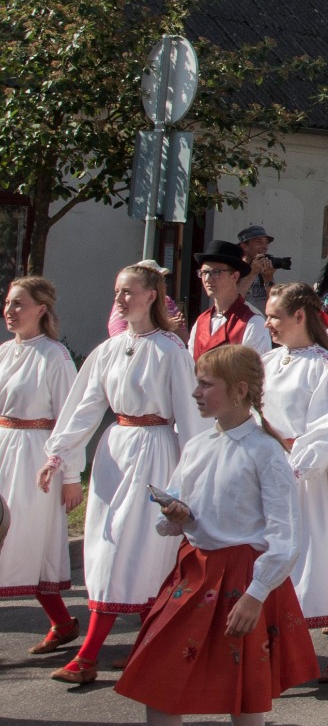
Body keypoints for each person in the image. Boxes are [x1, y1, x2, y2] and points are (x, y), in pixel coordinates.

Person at [116, 344, 317, 726]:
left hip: (242, 576)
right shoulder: (200, 443)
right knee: (156, 674)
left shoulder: (267, 453)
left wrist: (256, 595)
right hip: (195, 569)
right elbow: (187, 508)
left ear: (240, 390)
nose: (196, 392)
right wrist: (178, 513)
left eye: (207, 384)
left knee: (244, 690)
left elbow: (285, 536)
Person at [40, 263, 205, 683]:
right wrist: (59, 457)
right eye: (117, 291)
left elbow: (190, 419)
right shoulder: (108, 350)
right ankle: (146, 645)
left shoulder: (171, 351)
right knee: (104, 546)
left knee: (135, 551)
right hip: (116, 451)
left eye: (128, 291)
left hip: (155, 451)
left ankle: (89, 655)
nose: (119, 298)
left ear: (151, 295)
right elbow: (84, 407)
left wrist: (191, 478)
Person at [261, 283, 328, 682]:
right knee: (274, 559)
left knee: (320, 557)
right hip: (272, 469)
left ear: (299, 317)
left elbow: (325, 426)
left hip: (311, 476)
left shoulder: (326, 366)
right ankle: (278, 647)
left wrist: (294, 468)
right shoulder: (267, 363)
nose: (268, 323)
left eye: (275, 316)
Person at [1, 278, 80, 653]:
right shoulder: (3, 353)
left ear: (41, 309)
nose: (10, 311)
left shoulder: (55, 356)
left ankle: (63, 622)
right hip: (3, 448)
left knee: (25, 543)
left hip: (35, 459)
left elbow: (71, 418)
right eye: (8, 303)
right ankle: (63, 622)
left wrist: (70, 475)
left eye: (19, 304)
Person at [191, 241, 273, 362]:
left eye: (216, 272)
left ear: (234, 276)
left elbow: (258, 374)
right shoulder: (201, 321)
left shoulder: (252, 322)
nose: (208, 279)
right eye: (204, 273)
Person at [237, 224, 283, 311]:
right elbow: (234, 300)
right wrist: (252, 273)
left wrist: (269, 279)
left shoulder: (263, 268)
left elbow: (275, 306)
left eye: (266, 243)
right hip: (241, 321)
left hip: (262, 321)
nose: (265, 247)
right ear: (244, 246)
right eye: (259, 242)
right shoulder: (234, 269)